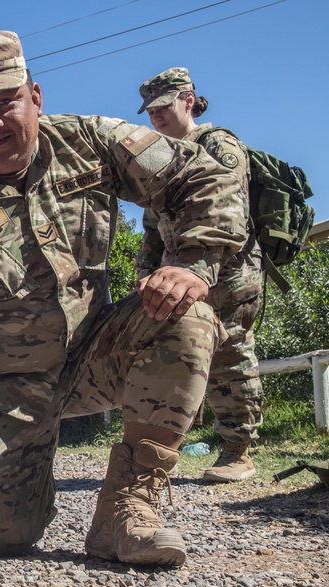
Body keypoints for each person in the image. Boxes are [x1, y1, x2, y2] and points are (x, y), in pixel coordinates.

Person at [0, 31, 247, 568]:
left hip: (92, 356)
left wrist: (192, 262)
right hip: (5, 390)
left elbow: (207, 177)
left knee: (185, 316)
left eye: (4, 103)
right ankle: (12, 472)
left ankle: (128, 511)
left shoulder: (90, 140)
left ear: (35, 97)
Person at [137, 68, 262, 482]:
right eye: (149, 110)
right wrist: (144, 274)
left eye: (163, 106)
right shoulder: (161, 155)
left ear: (188, 99)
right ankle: (162, 447)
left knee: (230, 353)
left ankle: (237, 451)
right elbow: (152, 227)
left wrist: (205, 269)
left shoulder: (218, 144)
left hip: (227, 272)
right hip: (177, 275)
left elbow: (230, 213)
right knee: (182, 356)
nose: (155, 116)